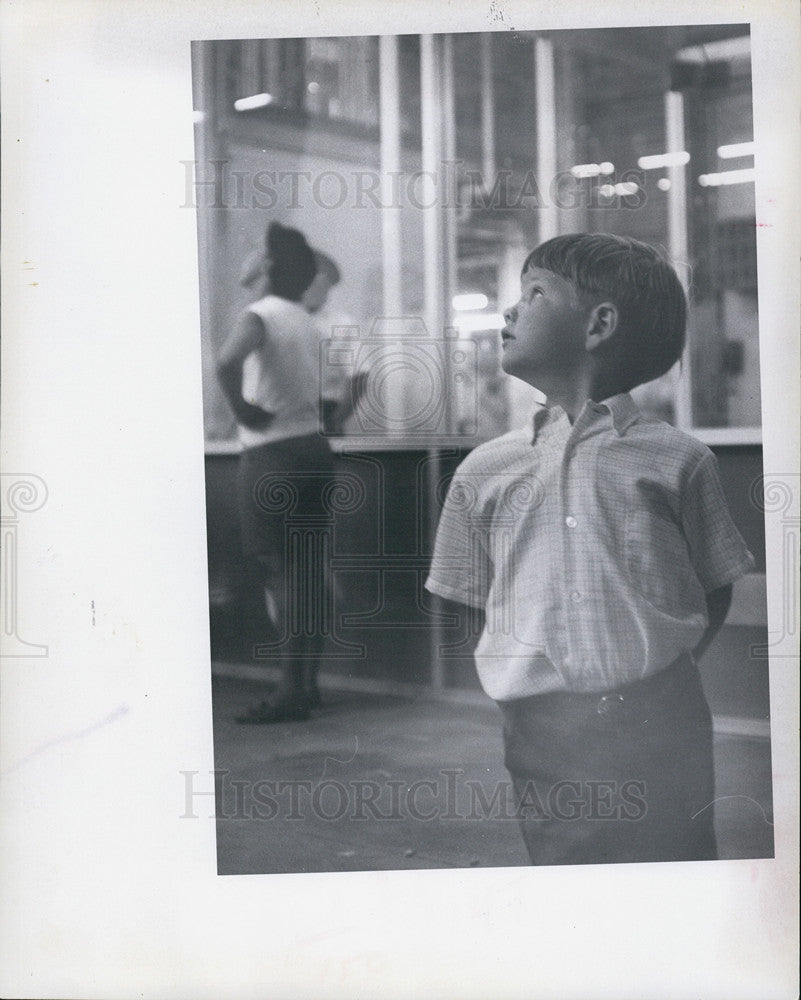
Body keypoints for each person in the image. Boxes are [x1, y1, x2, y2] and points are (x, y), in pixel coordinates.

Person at [425, 233, 754, 865]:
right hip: (542, 729)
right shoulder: (485, 468)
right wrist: (522, 676)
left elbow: (713, 588)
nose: (510, 311)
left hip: (666, 719)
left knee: (677, 868)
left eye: (535, 293)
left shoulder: (679, 460)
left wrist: (649, 665)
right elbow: (469, 597)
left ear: (599, 324)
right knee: (570, 882)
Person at [218, 221, 334, 722]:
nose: (246, 254)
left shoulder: (259, 313)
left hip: (272, 459)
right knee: (306, 575)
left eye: (253, 248)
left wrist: (241, 410)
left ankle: (288, 693)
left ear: (266, 264)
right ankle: (306, 685)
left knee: (281, 576)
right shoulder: (305, 319)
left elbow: (225, 362)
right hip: (313, 451)